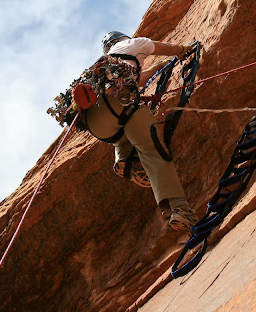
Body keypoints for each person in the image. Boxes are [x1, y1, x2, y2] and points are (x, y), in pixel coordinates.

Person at [84, 31, 198, 233]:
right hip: (121, 104)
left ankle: (124, 157)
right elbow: (161, 47)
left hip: (96, 123)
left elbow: (139, 80)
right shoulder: (133, 44)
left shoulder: (103, 67)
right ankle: (180, 208)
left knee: (124, 132)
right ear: (123, 39)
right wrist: (182, 50)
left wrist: (158, 68)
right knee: (153, 151)